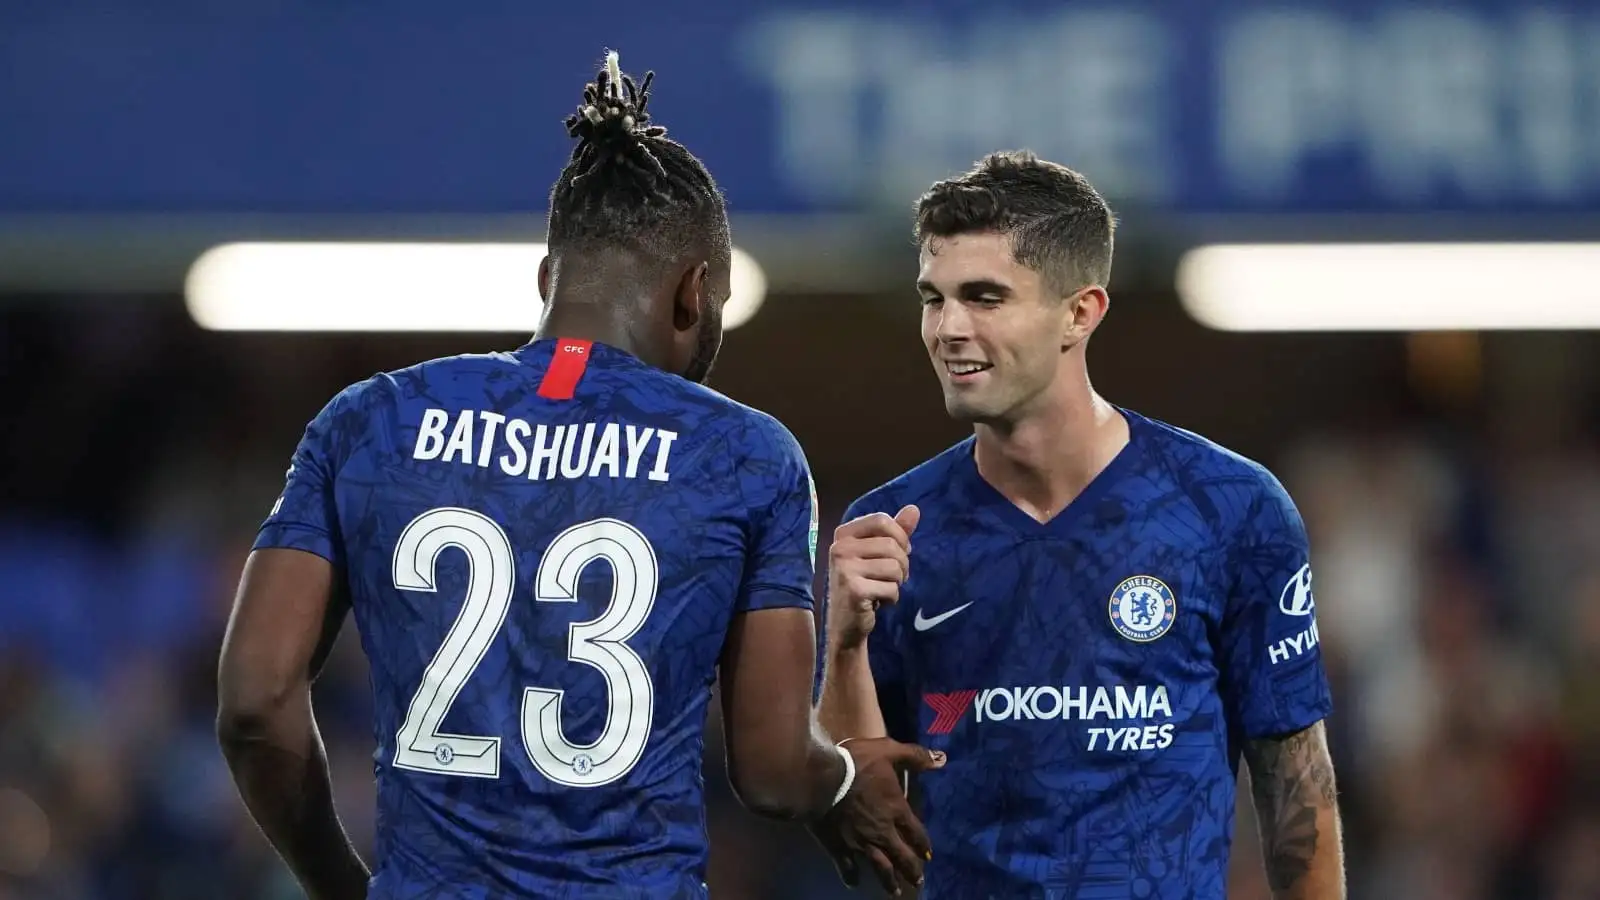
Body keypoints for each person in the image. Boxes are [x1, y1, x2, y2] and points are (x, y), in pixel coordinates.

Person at [215, 51, 940, 900]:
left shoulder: (369, 420)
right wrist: (846, 781)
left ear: (547, 279)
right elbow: (776, 771)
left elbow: (255, 703)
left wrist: (342, 884)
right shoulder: (745, 456)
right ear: (694, 292)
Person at [815, 150, 1346, 898]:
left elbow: (1298, 789)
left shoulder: (1230, 509)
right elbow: (859, 833)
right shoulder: (890, 531)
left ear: (1080, 312)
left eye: (985, 297)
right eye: (933, 299)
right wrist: (844, 647)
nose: (948, 329)